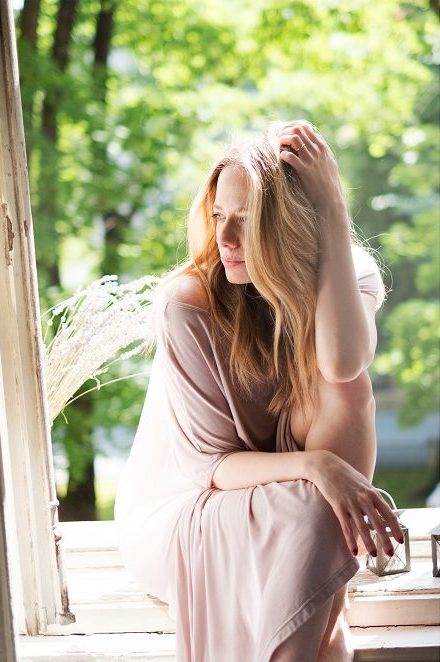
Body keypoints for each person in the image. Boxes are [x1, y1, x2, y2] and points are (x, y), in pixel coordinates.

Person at [114, 119, 404, 662]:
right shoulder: (188, 304)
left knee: (345, 390)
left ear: (292, 224)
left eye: (246, 221)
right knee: (321, 501)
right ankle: (317, 635)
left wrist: (332, 208)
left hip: (287, 480)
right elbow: (211, 467)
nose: (225, 239)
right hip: (194, 501)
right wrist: (317, 465)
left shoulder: (344, 272)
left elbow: (344, 364)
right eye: (218, 216)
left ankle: (318, 621)